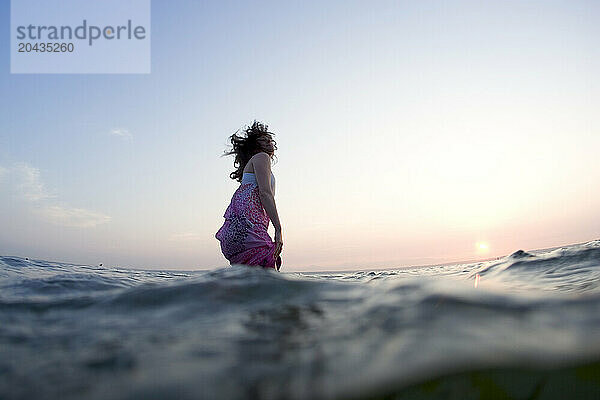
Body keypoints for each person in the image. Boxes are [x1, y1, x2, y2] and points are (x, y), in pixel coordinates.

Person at [215, 121, 283, 270]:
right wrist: (278, 229)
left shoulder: (257, 163)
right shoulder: (261, 157)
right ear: (255, 147)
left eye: (269, 139)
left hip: (236, 234)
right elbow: (265, 194)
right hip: (248, 231)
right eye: (263, 140)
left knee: (249, 282)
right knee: (267, 276)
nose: (268, 141)